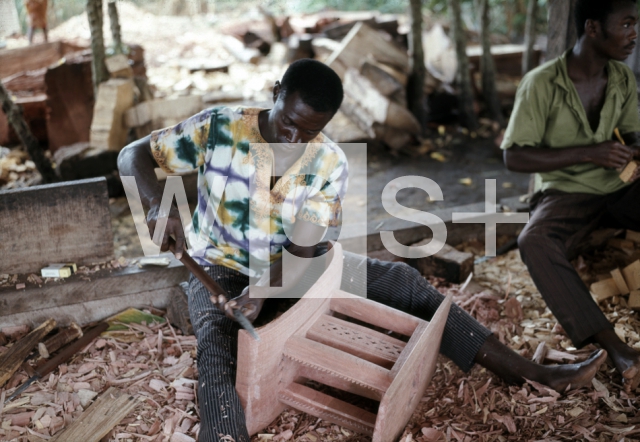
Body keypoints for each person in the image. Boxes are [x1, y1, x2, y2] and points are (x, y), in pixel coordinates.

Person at [119, 59, 606, 442]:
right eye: (287, 122)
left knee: (404, 283)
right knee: (218, 345)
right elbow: (132, 154)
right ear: (275, 95)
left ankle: (530, 371)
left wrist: (266, 292)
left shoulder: (328, 161)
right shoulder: (219, 127)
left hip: (296, 269)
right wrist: (160, 204)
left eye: (308, 131)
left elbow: (309, 248)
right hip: (219, 269)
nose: (293, 138)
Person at [502, 0, 640, 392]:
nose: (633, 34)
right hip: (567, 193)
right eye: (627, 24)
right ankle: (618, 350)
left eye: (636, 24)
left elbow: (631, 134)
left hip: (621, 185)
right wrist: (589, 152)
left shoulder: (622, 78)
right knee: (534, 240)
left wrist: (634, 150)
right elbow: (514, 156)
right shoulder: (541, 83)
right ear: (593, 28)